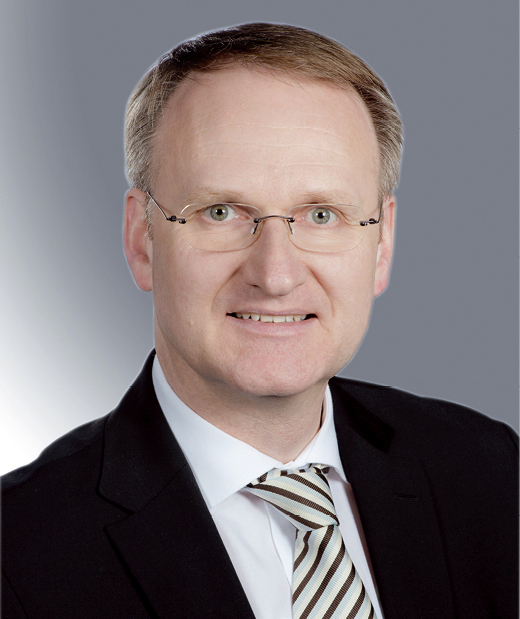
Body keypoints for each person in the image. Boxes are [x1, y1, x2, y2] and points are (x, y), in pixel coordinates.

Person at [2, 22, 517, 619]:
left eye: (321, 215)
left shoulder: (490, 471)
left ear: (382, 244)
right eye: (221, 212)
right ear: (142, 239)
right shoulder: (18, 550)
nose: (275, 275)